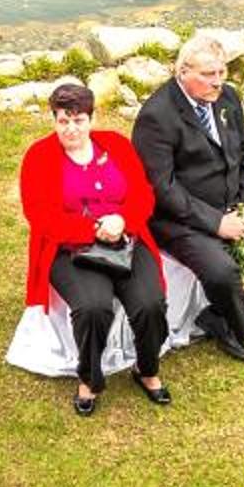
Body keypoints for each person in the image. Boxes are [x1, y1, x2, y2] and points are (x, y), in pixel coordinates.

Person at [131, 34, 244, 359]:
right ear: (183, 72)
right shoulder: (156, 116)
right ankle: (243, 326)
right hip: (182, 218)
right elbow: (162, 188)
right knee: (222, 272)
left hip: (235, 204)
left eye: (221, 72)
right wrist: (216, 223)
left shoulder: (227, 98)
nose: (217, 81)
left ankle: (230, 315)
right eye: (208, 74)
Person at [17, 78, 170, 417]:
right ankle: (89, 377)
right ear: (54, 120)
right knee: (92, 307)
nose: (71, 128)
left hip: (126, 240)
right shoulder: (39, 156)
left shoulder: (116, 145)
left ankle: (147, 368)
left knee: (150, 303)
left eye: (78, 120)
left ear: (91, 118)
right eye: (63, 121)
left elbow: (143, 195)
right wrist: (94, 229)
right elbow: (40, 216)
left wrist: (123, 221)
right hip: (70, 249)